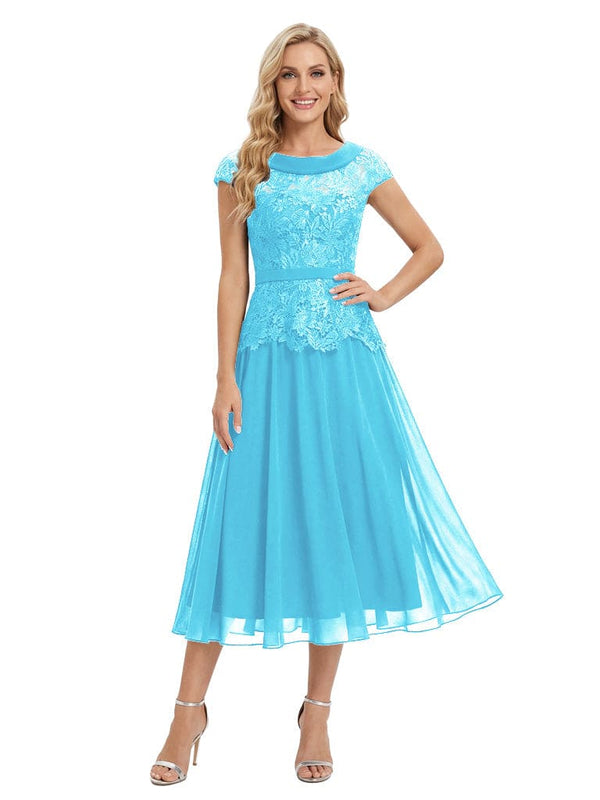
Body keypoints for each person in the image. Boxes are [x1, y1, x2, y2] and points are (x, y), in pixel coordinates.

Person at [150, 22, 504, 787]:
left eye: (317, 72)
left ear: (336, 83)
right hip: (265, 367)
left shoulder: (361, 166)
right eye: (290, 74)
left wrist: (383, 295)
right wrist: (223, 376)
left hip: (346, 366)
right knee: (234, 524)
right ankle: (187, 711)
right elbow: (233, 277)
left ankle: (316, 711)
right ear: (272, 86)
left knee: (333, 523)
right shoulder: (244, 167)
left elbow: (430, 248)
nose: (304, 86)